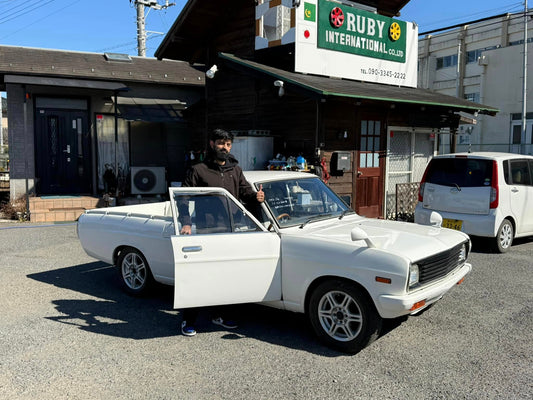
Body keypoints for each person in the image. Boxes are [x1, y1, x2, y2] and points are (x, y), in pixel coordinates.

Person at [179, 128, 264, 336]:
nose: (224, 148)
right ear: (211, 144)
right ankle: (188, 321)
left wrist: (256, 196)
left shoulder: (235, 169)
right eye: (220, 143)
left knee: (227, 275)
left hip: (231, 229)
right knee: (200, 276)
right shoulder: (198, 170)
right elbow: (183, 198)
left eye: (227, 144)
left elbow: (244, 192)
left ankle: (220, 316)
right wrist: (187, 223)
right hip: (207, 231)